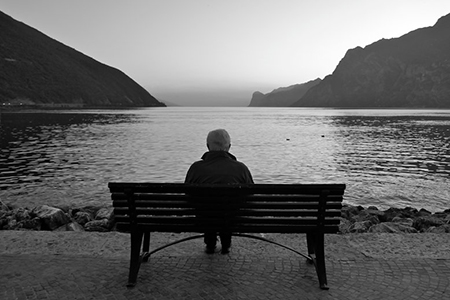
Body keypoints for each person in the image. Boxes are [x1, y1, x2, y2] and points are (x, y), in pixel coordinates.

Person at [185, 129, 254, 254]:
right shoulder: (241, 168)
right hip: (233, 219)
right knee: (228, 208)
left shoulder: (196, 168)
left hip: (203, 219)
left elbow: (188, 195)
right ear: (229, 147)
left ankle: (210, 243)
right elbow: (250, 195)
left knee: (207, 207)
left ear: (207, 146)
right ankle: (226, 244)